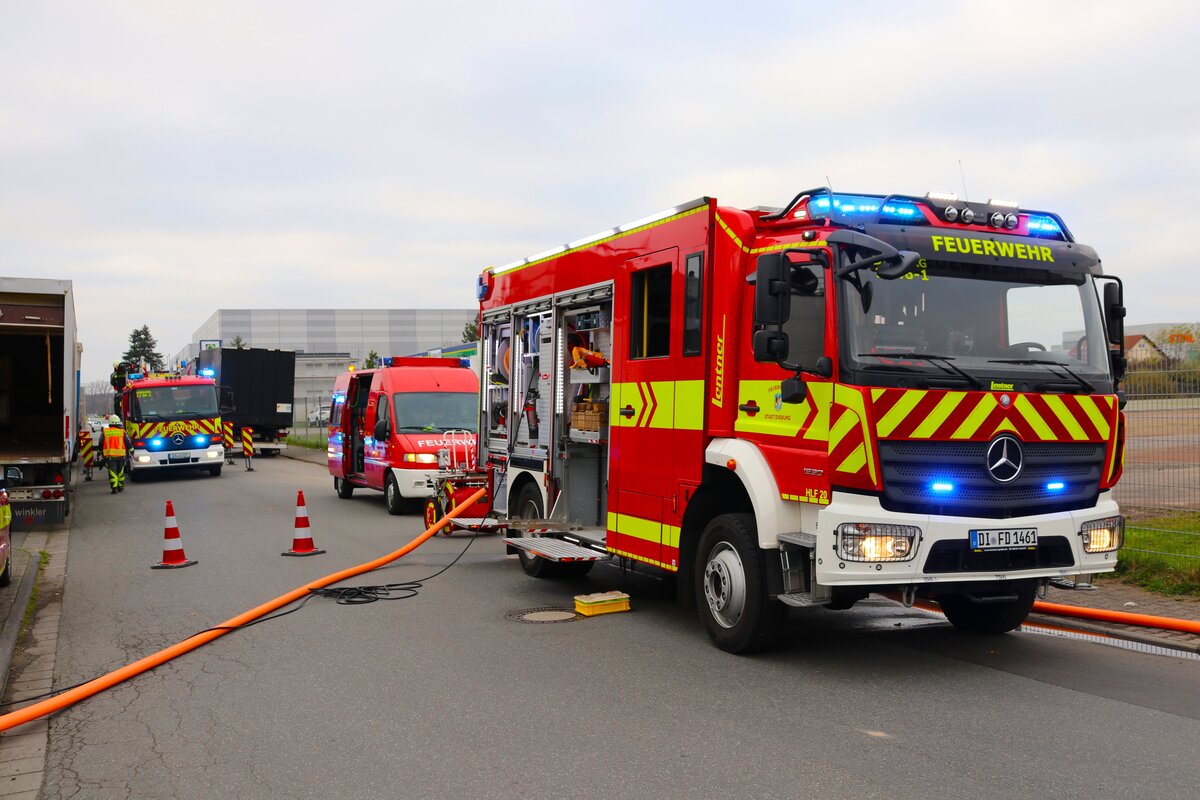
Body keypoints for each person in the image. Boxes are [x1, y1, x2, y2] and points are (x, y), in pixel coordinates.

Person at [101, 414, 130, 494]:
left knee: (112, 472)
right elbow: (128, 442)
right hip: (121, 456)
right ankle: (120, 487)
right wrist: (132, 451)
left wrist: (100, 453)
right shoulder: (122, 432)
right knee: (120, 472)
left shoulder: (105, 432)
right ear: (118, 423)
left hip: (110, 456)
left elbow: (101, 443)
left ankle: (114, 488)